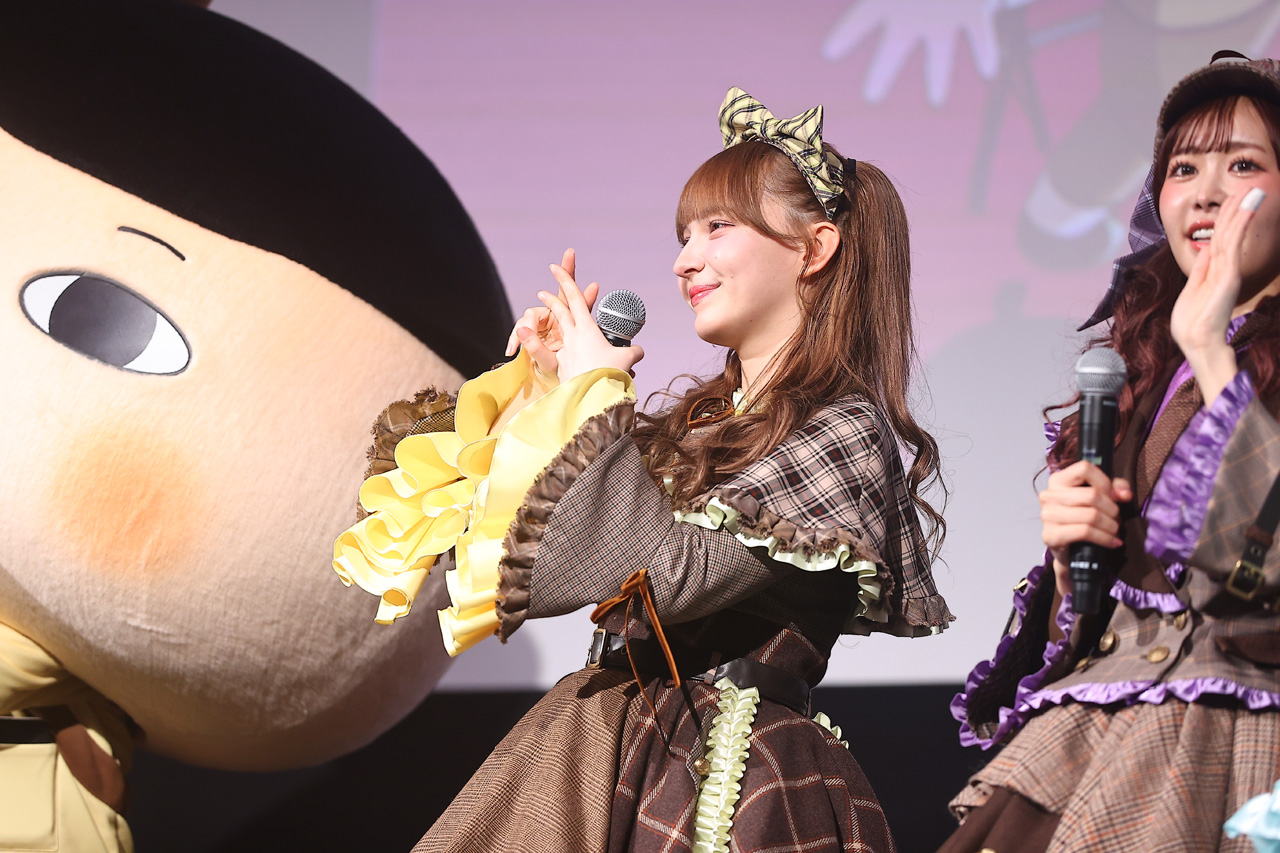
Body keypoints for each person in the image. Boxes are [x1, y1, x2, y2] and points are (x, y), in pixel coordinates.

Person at [334, 87, 953, 852]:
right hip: (600, 746)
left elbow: (669, 572)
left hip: (730, 775)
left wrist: (596, 402)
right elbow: (496, 542)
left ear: (815, 248)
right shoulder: (693, 426)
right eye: (684, 235)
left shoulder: (844, 430)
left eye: (717, 227)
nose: (684, 260)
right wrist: (539, 395)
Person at [946, 52, 1280, 852]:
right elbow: (1100, 618)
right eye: (1182, 168)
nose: (1203, 192)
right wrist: (1073, 565)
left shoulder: (1208, 354)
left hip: (1232, 738)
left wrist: (1212, 350)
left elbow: (1258, 569)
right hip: (1104, 726)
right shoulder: (1145, 374)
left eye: (1242, 164)